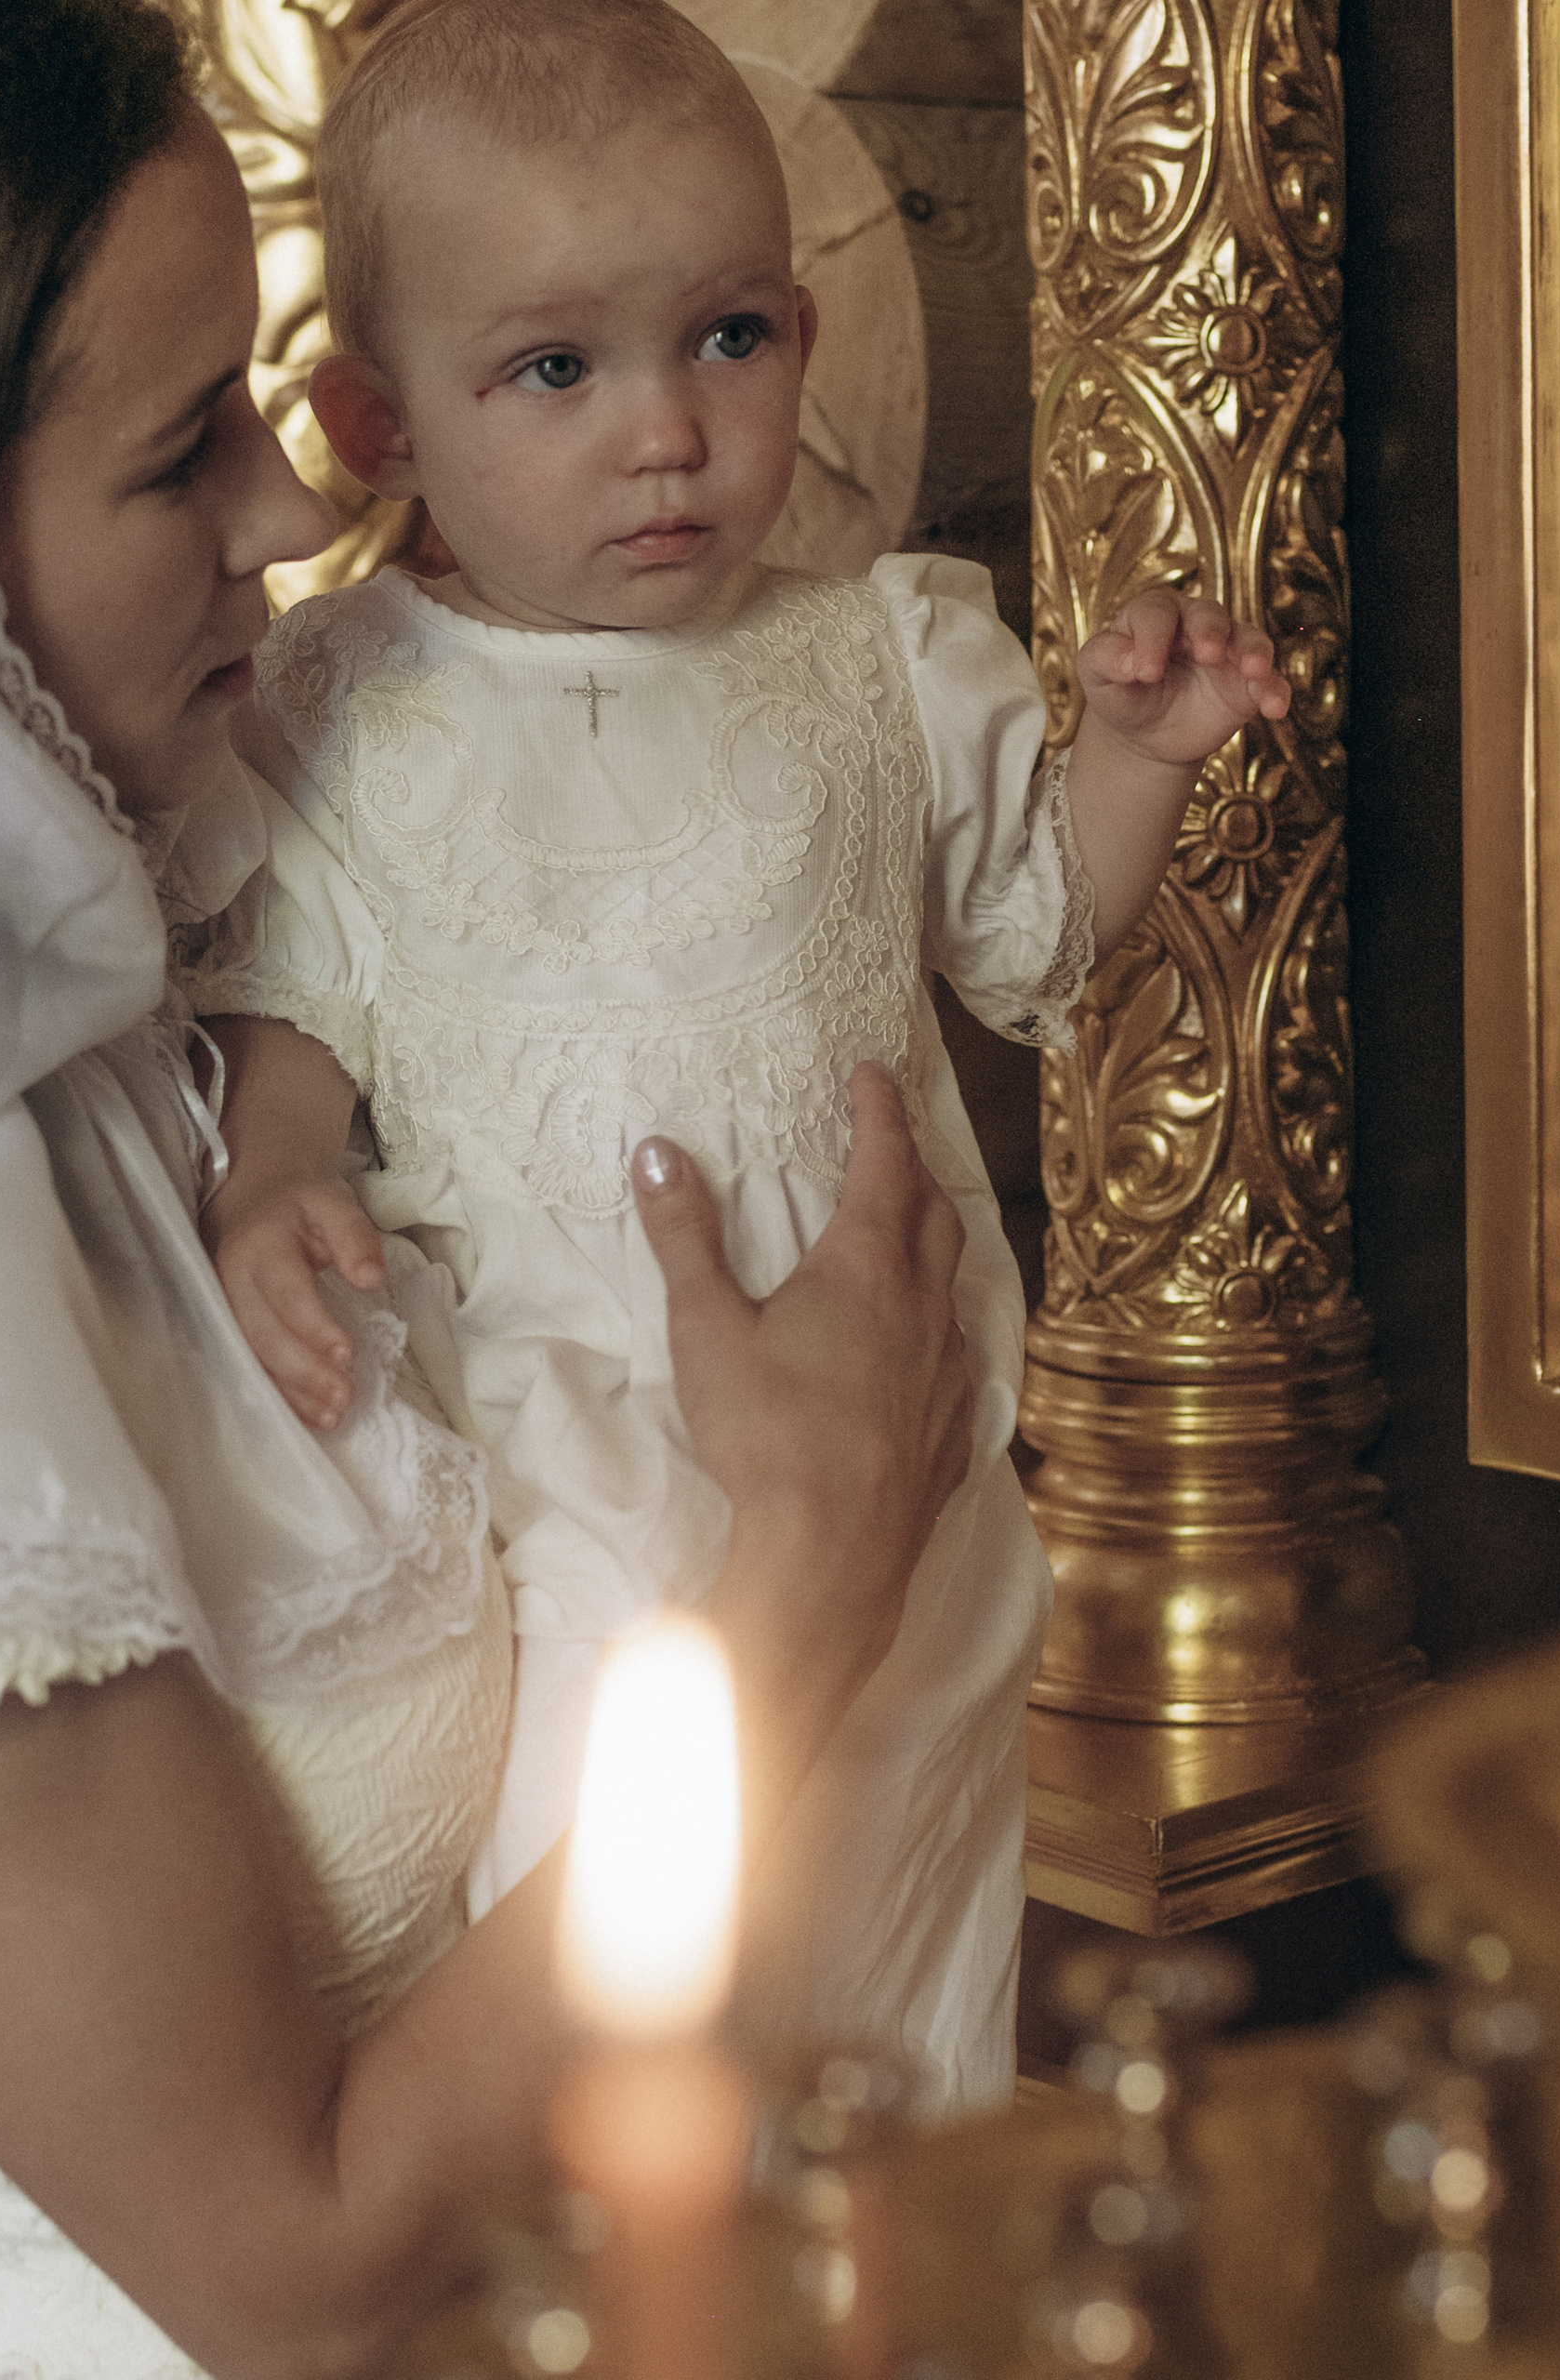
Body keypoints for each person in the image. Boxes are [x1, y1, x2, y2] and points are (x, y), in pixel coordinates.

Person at [0, 4, 978, 2378]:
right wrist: (808, 1574)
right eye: (177, 456)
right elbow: (306, 2271)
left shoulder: (70, 1010)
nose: (284, 509)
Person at [186, 0, 1293, 2110]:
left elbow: (1033, 927)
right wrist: (270, 1183)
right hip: (564, 1444)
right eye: (552, 370)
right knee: (628, 1942)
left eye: (726, 338)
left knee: (891, 1968)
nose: (666, 434)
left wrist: (1132, 760)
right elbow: (293, 1011)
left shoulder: (876, 655)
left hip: (914, 1442)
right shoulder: (345, 703)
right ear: (377, 420)